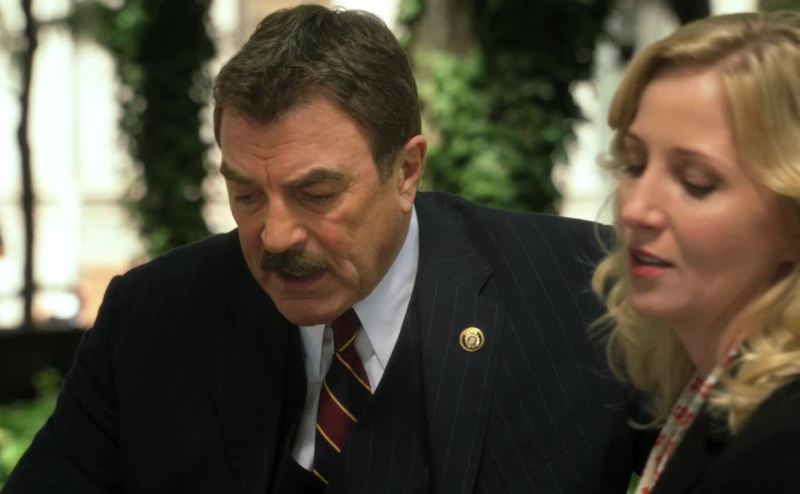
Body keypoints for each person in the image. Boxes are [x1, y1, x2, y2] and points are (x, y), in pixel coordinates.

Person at [4, 5, 641, 493]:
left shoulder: (585, 293)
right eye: (246, 195)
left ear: (406, 171)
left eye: (316, 193)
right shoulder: (152, 319)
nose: (276, 236)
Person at [593, 11, 800, 494]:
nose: (636, 210)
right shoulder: (713, 386)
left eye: (695, 182)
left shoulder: (784, 446)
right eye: (634, 164)